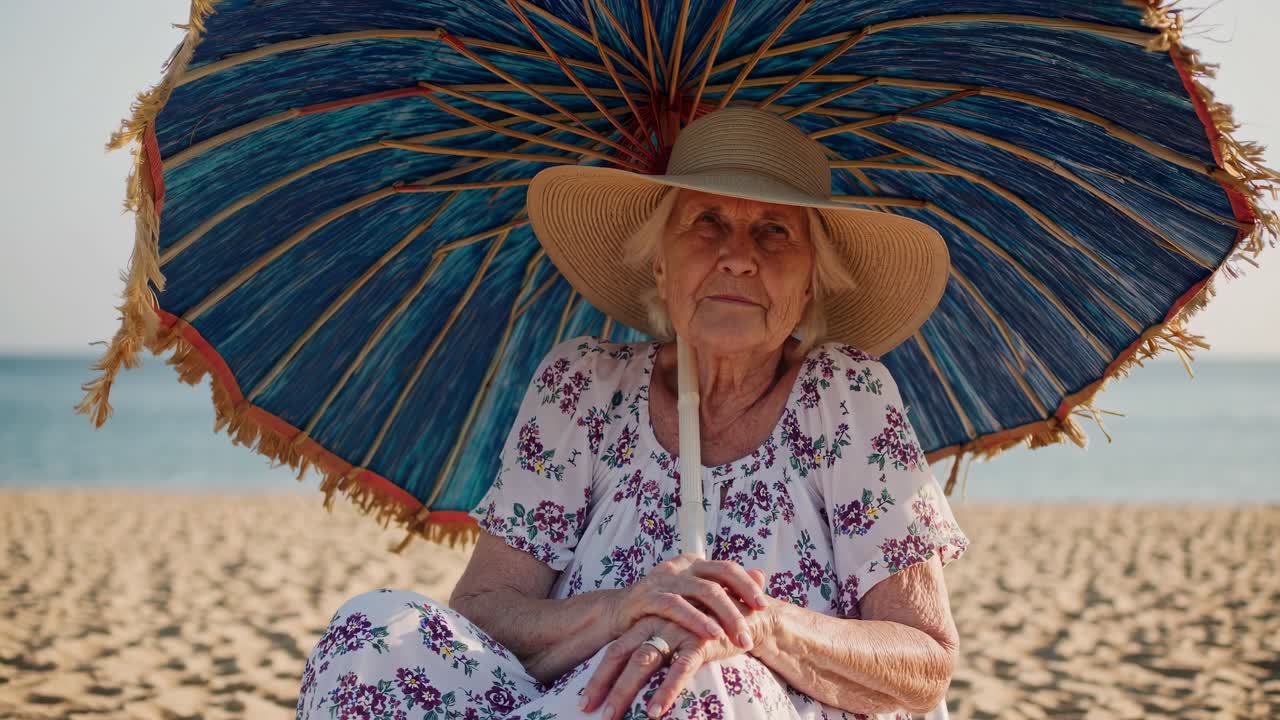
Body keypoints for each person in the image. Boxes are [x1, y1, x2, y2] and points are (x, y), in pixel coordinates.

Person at [296, 107, 969, 720]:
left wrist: (751, 628)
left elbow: (924, 662)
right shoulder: (583, 386)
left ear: (811, 281)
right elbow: (482, 612)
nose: (738, 255)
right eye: (707, 221)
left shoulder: (845, 396)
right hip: (570, 704)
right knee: (376, 630)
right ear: (660, 265)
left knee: (705, 682)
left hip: (760, 708)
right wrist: (625, 610)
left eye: (773, 231)